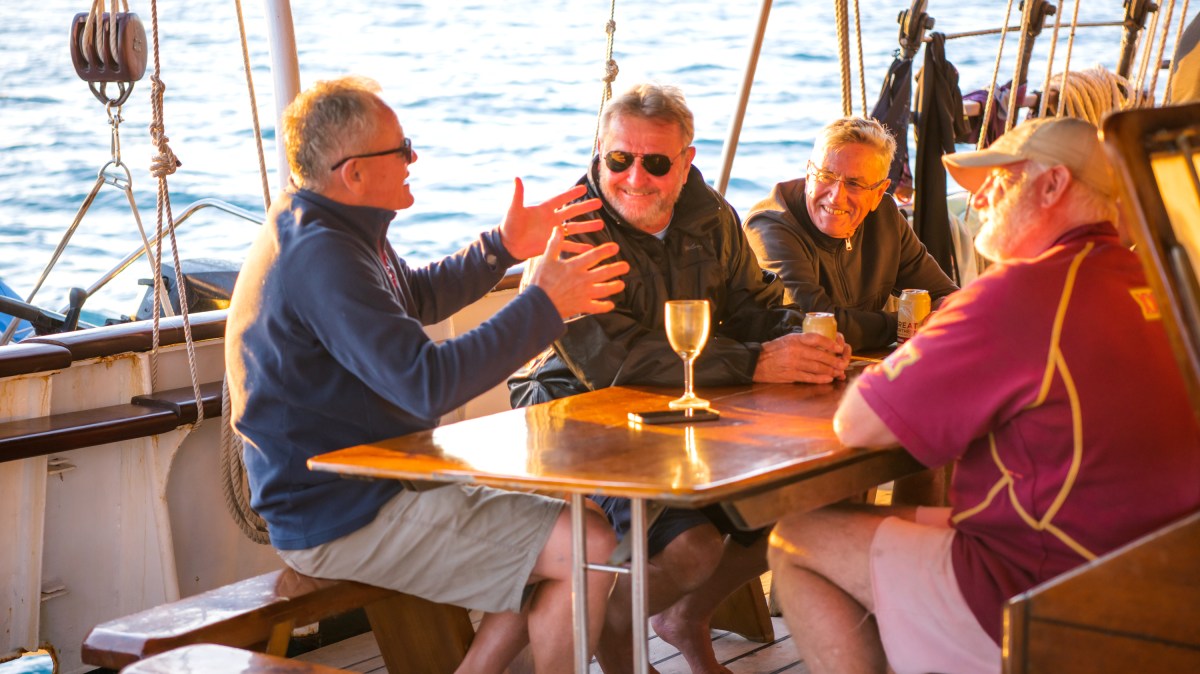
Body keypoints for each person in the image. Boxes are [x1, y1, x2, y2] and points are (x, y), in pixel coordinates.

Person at [225, 75, 632, 674]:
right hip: (341, 512)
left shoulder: (330, 225)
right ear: (353, 172)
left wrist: (503, 246)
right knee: (587, 545)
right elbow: (426, 383)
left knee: (573, 530)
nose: (413, 158)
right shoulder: (321, 254)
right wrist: (543, 305)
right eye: (401, 148)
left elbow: (408, 294)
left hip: (373, 483)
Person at [767, 116, 1200, 674]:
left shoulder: (1022, 290)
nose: (982, 198)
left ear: (1052, 186)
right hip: (1157, 579)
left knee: (799, 539)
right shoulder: (1158, 282)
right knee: (909, 515)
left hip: (1047, 590)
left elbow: (858, 423)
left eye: (1000, 178)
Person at [509, 82, 851, 674]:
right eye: (619, 159)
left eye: (656, 162)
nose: (635, 177)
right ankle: (619, 647)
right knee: (690, 546)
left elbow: (756, 306)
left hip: (688, 409)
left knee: (807, 502)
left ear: (686, 161)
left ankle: (677, 619)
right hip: (578, 413)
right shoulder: (570, 236)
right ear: (599, 151)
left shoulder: (712, 215)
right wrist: (754, 362)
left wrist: (804, 339)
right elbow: (612, 362)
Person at [744, 116, 957, 351]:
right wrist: (910, 323)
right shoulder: (770, 227)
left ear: (879, 193)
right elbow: (817, 324)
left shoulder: (885, 217)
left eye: (854, 184)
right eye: (826, 176)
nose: (836, 196)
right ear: (808, 173)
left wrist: (943, 313)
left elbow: (947, 297)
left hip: (854, 366)